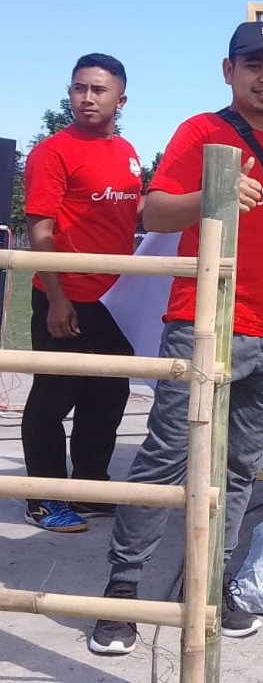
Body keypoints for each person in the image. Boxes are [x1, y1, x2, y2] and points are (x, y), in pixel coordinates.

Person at [89, 22, 263, 656]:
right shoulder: (201, 130)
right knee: (166, 461)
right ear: (228, 70)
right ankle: (121, 593)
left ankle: (206, 585)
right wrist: (212, 196)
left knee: (238, 468)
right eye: (253, 63)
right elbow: (152, 211)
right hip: (203, 323)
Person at [21, 53, 143, 533]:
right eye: (79, 88)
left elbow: (130, 222)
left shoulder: (130, 152)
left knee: (108, 396)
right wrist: (55, 297)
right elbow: (40, 226)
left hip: (116, 302)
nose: (86, 98)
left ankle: (90, 487)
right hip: (64, 297)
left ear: (121, 98)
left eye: (98, 90)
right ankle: (45, 499)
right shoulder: (53, 150)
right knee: (52, 398)